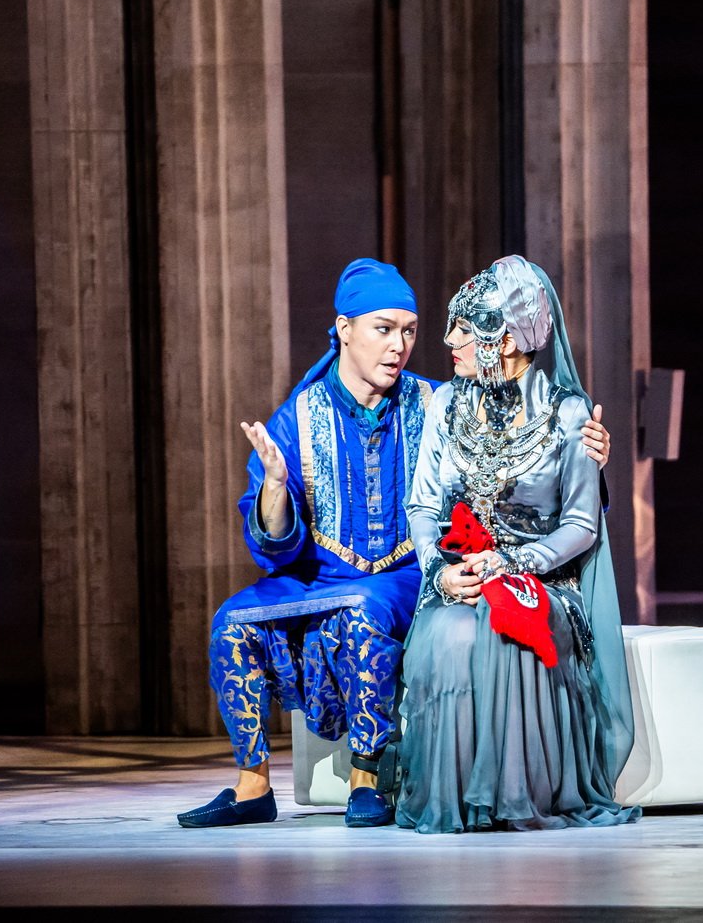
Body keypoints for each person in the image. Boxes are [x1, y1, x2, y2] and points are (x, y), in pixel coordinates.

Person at [177, 257, 610, 829]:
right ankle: (252, 783)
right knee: (231, 621)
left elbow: (520, 467)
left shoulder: (435, 401)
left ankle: (366, 778)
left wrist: (589, 452)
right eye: (383, 329)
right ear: (344, 328)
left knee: (364, 609)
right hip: (320, 574)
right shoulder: (298, 417)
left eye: (408, 331)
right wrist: (276, 488)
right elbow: (276, 548)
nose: (399, 346)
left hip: (404, 573)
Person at [395, 255, 640, 832]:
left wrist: (512, 563)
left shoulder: (568, 417)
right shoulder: (445, 405)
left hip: (542, 581)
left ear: (504, 340)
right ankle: (457, 799)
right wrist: (439, 571)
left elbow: (581, 524)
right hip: (461, 579)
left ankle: (514, 793)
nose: (448, 341)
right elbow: (423, 506)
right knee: (450, 634)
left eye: (463, 329)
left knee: (506, 626)